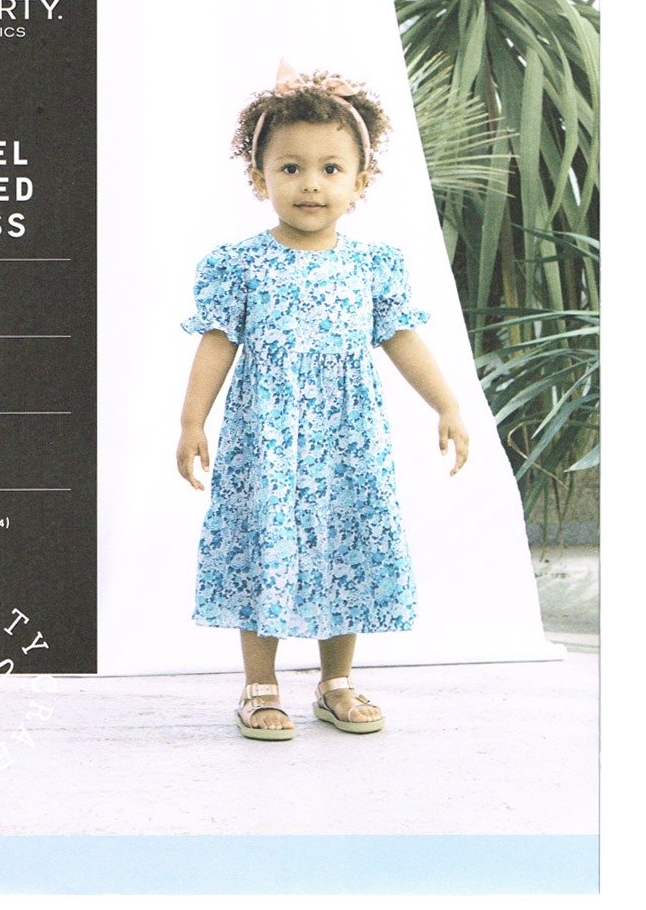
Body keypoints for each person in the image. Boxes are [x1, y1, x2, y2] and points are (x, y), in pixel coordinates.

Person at [177, 60, 469, 740]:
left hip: (347, 439)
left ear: (360, 181)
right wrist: (191, 421)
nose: (311, 183)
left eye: (331, 168)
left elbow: (400, 337)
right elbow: (217, 343)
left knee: (347, 545)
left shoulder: (372, 265)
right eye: (291, 168)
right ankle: (260, 686)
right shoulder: (240, 264)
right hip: (267, 440)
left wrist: (448, 405)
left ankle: (337, 682)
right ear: (260, 178)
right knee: (265, 544)